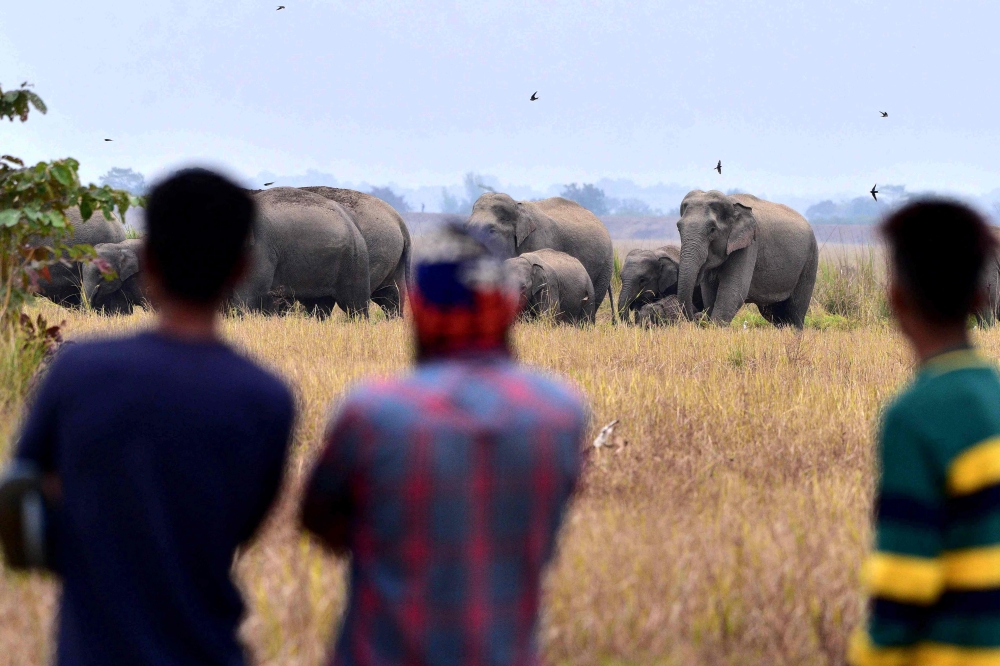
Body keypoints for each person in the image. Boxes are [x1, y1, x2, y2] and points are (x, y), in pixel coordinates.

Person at [8, 169, 295, 665]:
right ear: (241, 269)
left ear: (149, 265)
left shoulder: (77, 373)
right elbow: (243, 525)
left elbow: (17, 508)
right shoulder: (266, 397)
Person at [301, 224, 587, 666]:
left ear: (415, 308)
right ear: (510, 307)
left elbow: (319, 520)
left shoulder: (370, 412)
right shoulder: (561, 413)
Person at [850, 200, 1000, 665]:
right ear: (981, 297)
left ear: (895, 297)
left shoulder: (916, 415)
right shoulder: (992, 394)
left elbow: (904, 583)